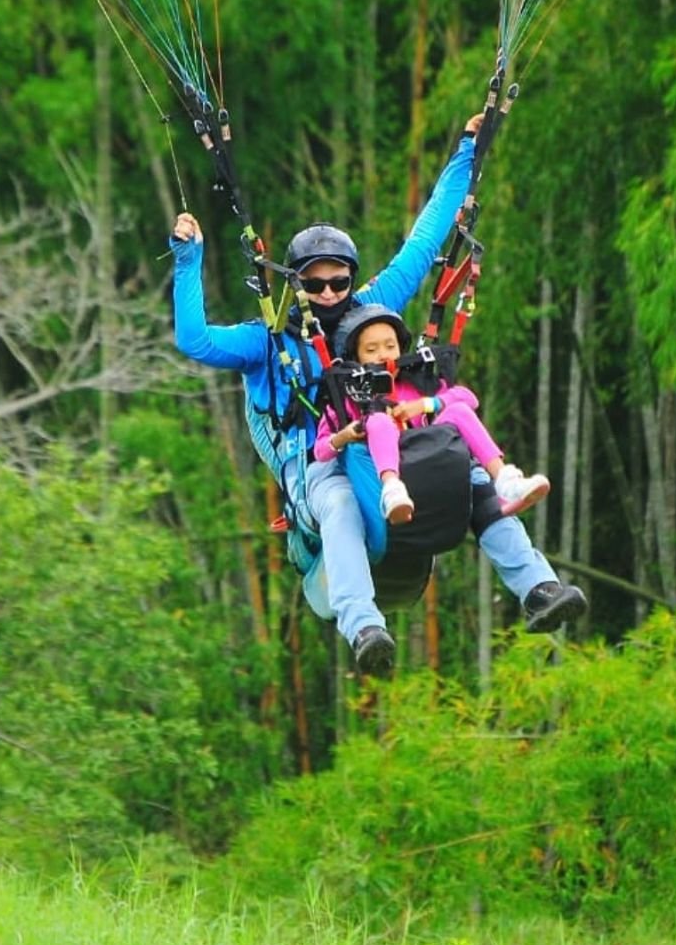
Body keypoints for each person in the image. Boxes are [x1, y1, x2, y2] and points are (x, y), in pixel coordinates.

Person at [172, 116, 587, 676]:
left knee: (474, 477)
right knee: (339, 503)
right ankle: (365, 626)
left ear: (351, 280)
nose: (327, 294)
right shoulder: (265, 341)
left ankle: (538, 589)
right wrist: (188, 257)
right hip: (320, 460)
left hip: (392, 442)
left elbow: (426, 237)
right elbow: (193, 339)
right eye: (314, 284)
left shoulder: (373, 304)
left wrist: (469, 149)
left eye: (337, 282)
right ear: (295, 284)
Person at [315, 304, 550, 525]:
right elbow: (321, 451)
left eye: (390, 346)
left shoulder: (416, 385)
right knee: (378, 420)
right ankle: (392, 489)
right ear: (356, 359)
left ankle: (505, 480)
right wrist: (345, 436)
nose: (383, 355)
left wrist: (424, 405)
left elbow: (469, 398)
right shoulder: (349, 399)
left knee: (458, 410)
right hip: (383, 473)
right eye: (371, 350)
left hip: (429, 457)